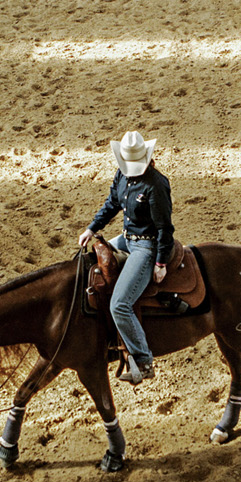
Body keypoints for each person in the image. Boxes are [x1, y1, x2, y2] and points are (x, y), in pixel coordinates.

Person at [77, 130, 173, 385]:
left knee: (120, 304)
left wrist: (161, 262)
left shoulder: (156, 184)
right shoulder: (123, 174)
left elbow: (165, 228)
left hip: (146, 247)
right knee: (91, 263)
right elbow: (111, 204)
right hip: (126, 239)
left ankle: (143, 359)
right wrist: (92, 228)